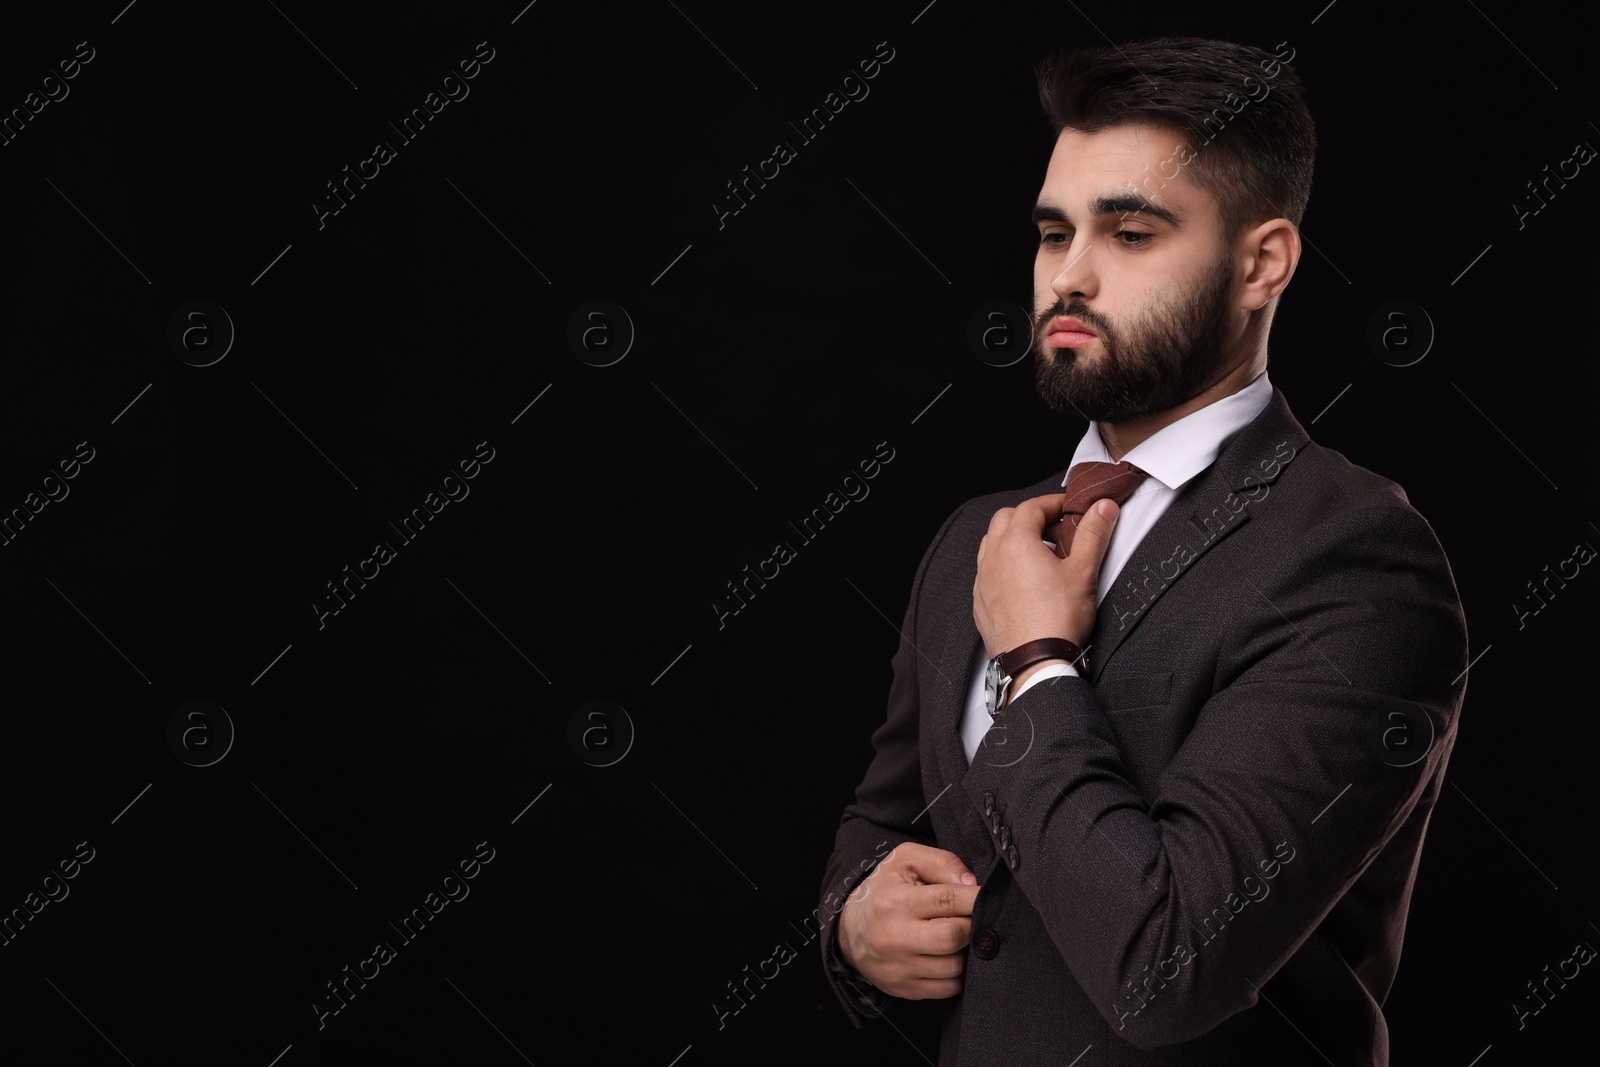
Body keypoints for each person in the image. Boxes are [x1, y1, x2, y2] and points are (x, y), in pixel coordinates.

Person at [817, 36, 1468, 1064]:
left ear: (1262, 263)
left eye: (1128, 233)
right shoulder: (977, 538)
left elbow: (1168, 968)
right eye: (1050, 233)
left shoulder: (1358, 560)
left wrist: (1037, 660)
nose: (1067, 277)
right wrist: (856, 920)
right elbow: (883, 820)